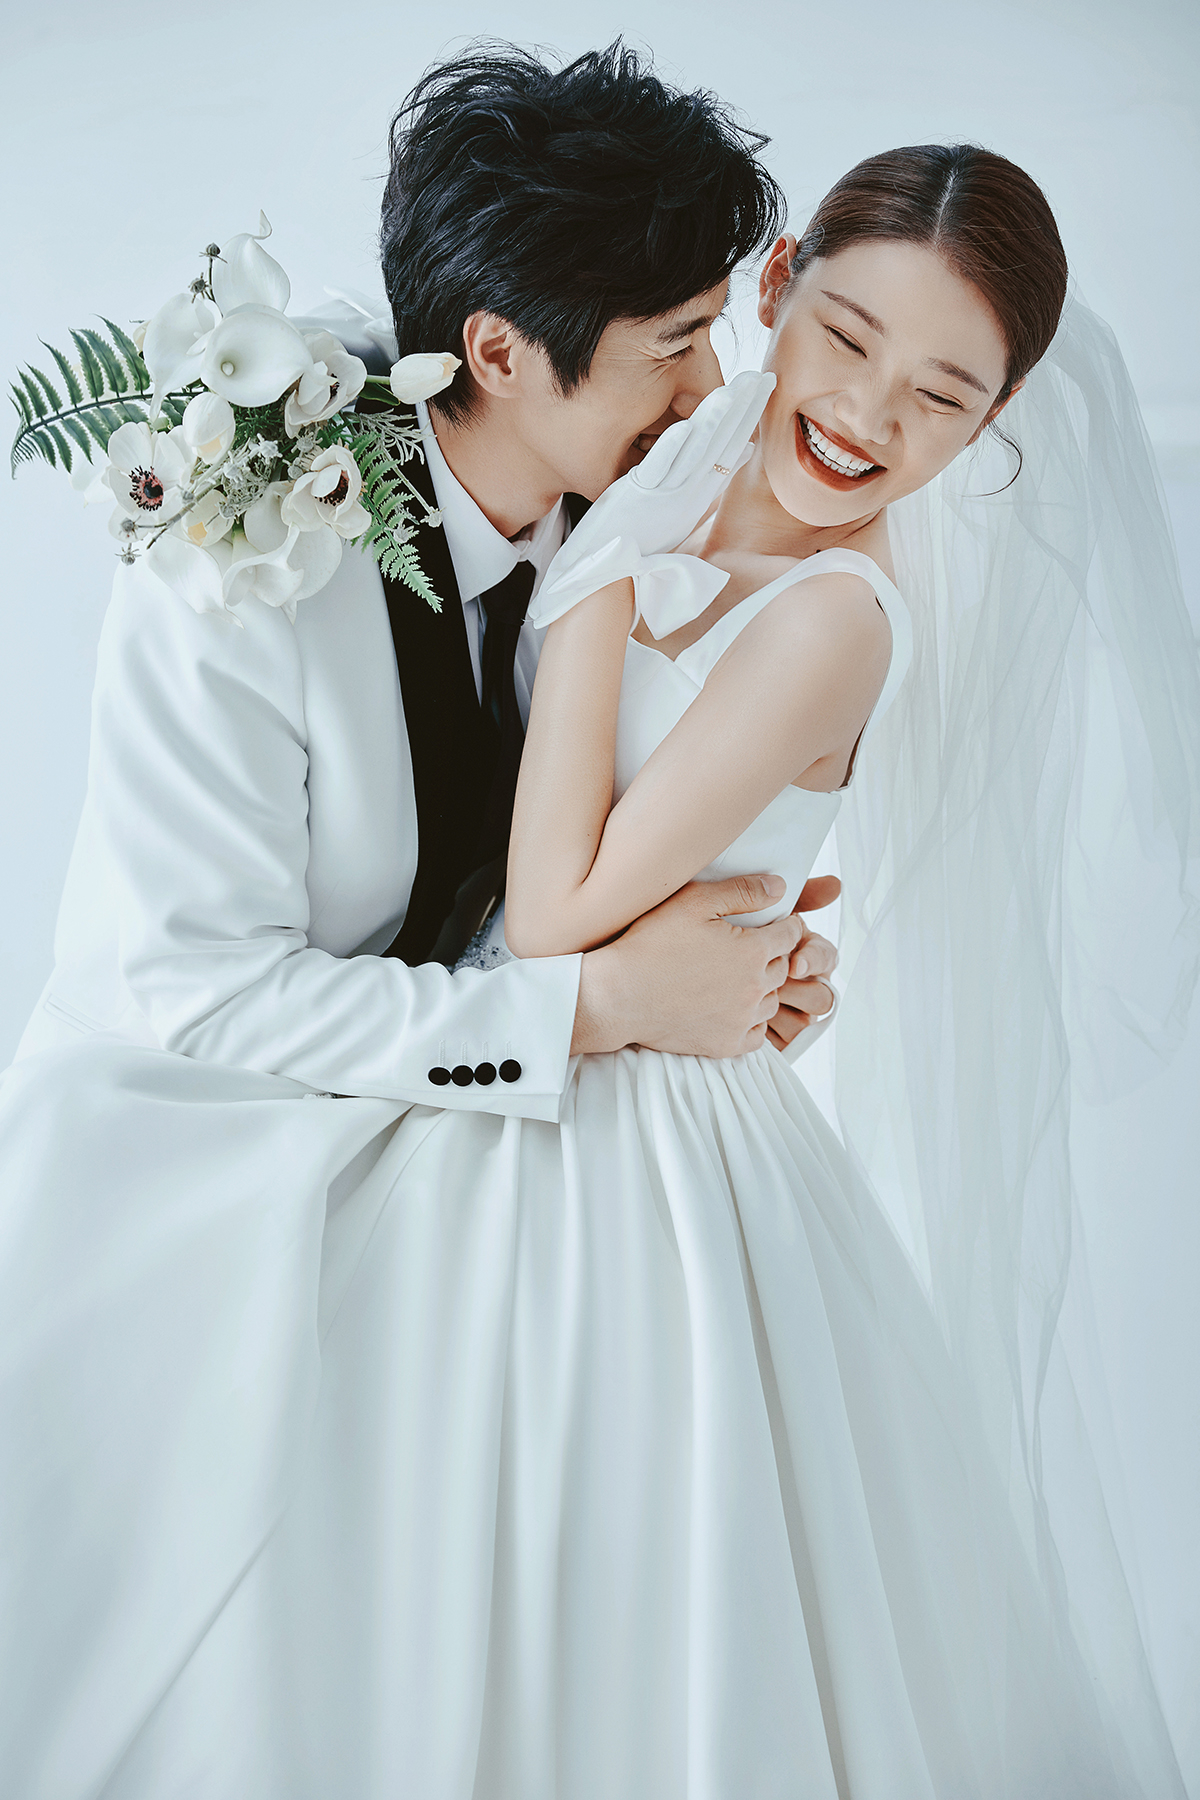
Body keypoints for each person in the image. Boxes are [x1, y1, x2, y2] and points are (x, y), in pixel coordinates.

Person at [70, 144, 1196, 1797]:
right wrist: (624, 557)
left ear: (997, 418)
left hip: (641, 1140)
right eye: (844, 339)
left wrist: (599, 590)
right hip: (487, 1065)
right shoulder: (617, 462)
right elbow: (525, 923)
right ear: (780, 291)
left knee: (638, 1572)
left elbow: (553, 912)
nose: (867, 414)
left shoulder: (811, 599)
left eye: (943, 397)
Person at [0, 45, 843, 1800]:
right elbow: (205, 994)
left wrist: (741, 954)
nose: (715, 385)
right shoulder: (238, 545)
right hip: (206, 1145)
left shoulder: (638, 493)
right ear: (500, 352)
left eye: (714, 331)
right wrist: (601, 1007)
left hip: (461, 1110)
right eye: (676, 342)